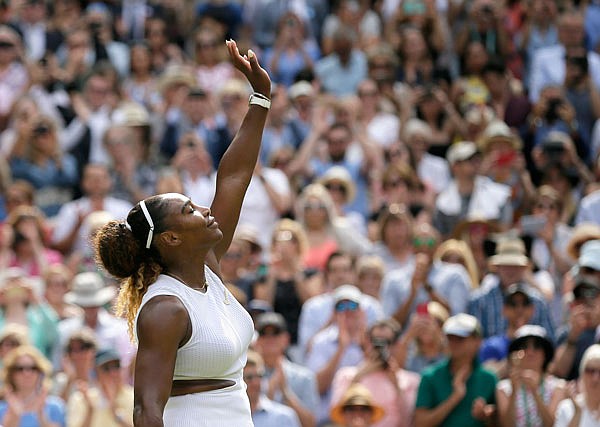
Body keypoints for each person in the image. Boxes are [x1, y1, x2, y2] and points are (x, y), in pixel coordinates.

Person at [93, 40, 271, 427]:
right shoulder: (164, 309)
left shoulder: (207, 267)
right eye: (189, 210)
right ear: (171, 238)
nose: (204, 209)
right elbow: (146, 412)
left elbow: (234, 178)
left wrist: (260, 99)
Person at [414, 313, 497, 427]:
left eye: (460, 338)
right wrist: (455, 397)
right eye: (449, 337)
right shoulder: (430, 376)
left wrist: (487, 415)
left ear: (477, 341)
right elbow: (420, 423)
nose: (453, 343)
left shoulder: (489, 378)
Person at [496, 325, 566, 427]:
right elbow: (507, 425)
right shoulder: (503, 388)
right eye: (524, 347)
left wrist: (534, 392)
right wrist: (514, 391)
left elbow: (551, 424)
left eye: (537, 347)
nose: (530, 352)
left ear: (545, 354)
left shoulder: (558, 387)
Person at [554, 344, 600, 427]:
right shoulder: (567, 408)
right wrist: (577, 413)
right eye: (590, 370)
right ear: (582, 374)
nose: (595, 378)